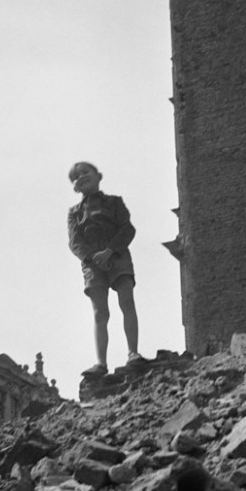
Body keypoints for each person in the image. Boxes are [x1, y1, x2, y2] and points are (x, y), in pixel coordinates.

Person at [67, 161, 147, 376]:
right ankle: (101, 363)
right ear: (75, 187)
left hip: (118, 256)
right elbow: (75, 243)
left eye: (86, 172)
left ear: (98, 176)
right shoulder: (74, 213)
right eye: (76, 176)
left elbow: (127, 228)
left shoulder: (114, 202)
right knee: (99, 312)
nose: (82, 177)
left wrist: (110, 251)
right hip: (92, 265)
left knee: (127, 301)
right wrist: (93, 257)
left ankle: (133, 353)